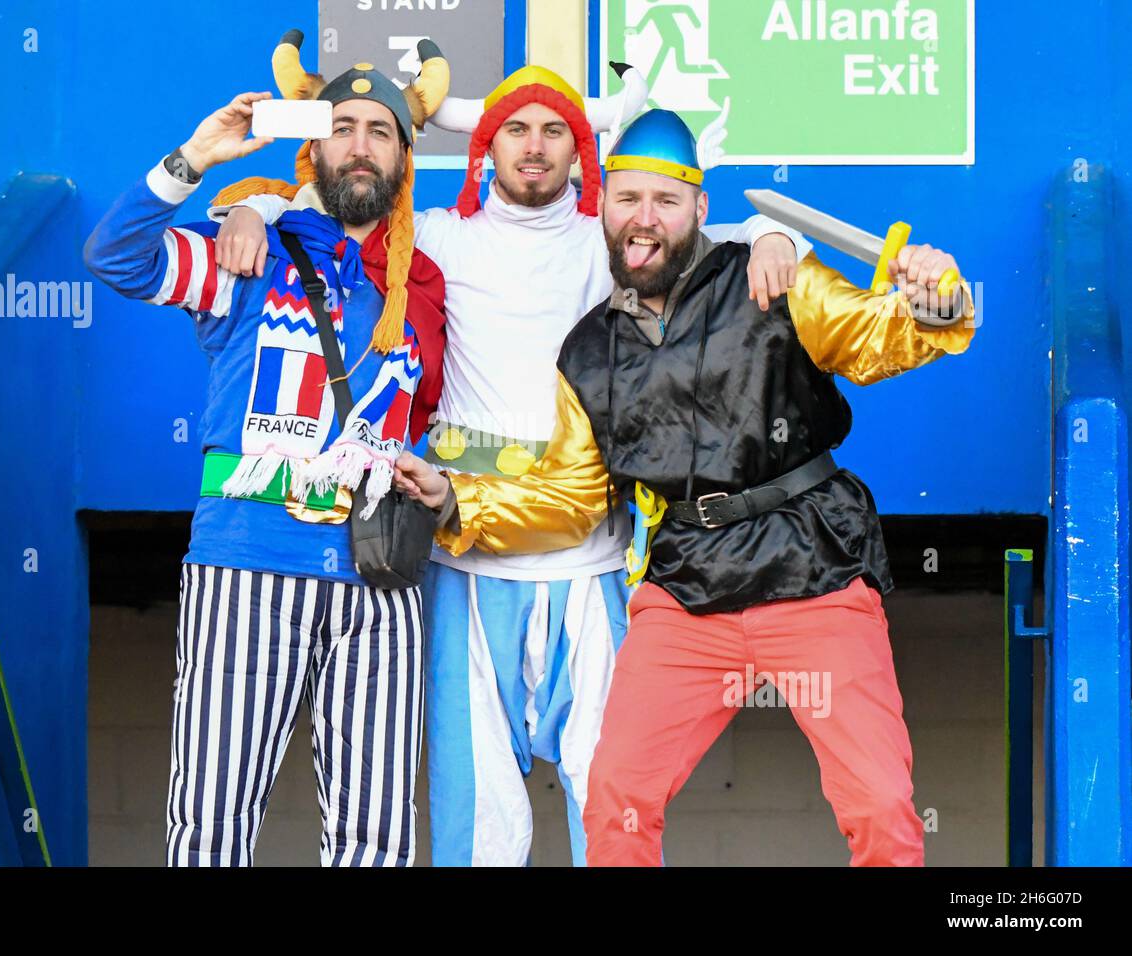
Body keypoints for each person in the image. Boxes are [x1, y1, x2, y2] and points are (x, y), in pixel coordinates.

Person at [208, 52, 809, 866]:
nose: (534, 145)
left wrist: (775, 234)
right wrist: (254, 207)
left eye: (554, 130)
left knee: (614, 803)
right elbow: (338, 204)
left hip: (593, 561)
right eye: (516, 129)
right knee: (477, 820)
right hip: (466, 562)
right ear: (486, 145)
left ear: (577, 150)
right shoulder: (438, 240)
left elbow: (725, 238)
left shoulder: (616, 240)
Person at [394, 108, 977, 867]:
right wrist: (455, 502)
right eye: (628, 200)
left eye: (665, 202)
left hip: (813, 569)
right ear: (600, 205)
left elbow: (879, 337)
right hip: (688, 587)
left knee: (878, 802)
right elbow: (571, 496)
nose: (644, 220)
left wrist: (935, 294)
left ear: (700, 210)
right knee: (618, 796)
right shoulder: (589, 351)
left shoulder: (771, 280)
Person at [83, 36, 451, 866]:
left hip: (379, 583)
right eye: (344, 126)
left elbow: (437, 428)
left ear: (402, 159)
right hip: (247, 565)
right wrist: (199, 162)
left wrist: (446, 487)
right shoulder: (249, 254)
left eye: (380, 131)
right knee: (210, 827)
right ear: (312, 148)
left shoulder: (424, 288)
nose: (361, 143)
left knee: (378, 840)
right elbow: (116, 256)